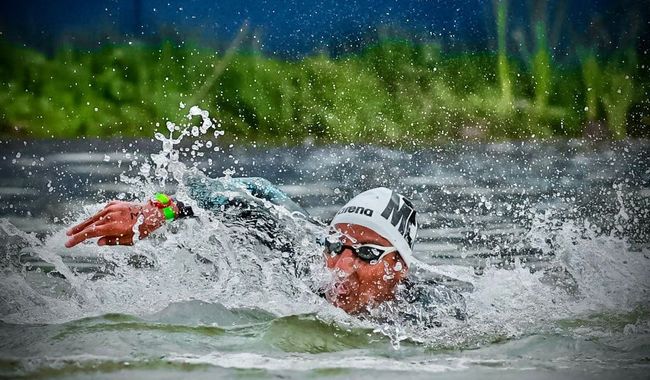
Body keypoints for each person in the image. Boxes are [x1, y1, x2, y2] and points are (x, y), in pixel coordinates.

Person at [65, 171, 465, 319]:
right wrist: (163, 210)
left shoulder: (435, 313)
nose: (340, 266)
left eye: (365, 254)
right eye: (335, 246)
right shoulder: (306, 253)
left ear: (398, 266)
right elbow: (254, 192)